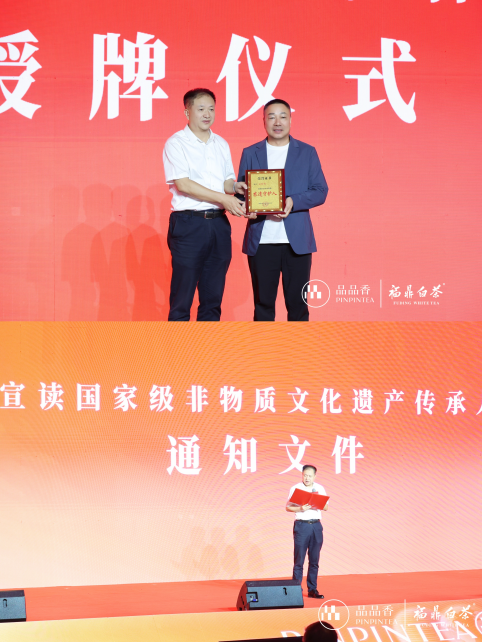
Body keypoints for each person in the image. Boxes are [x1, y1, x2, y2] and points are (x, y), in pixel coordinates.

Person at [237, 98, 328, 321]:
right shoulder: (250, 152)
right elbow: (241, 193)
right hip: (261, 241)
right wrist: (245, 208)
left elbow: (320, 191)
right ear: (264, 121)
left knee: (298, 307)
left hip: (296, 242)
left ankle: (298, 346)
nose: (277, 122)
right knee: (262, 306)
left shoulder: (307, 152)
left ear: (290, 120)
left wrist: (292, 201)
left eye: (283, 116)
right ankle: (264, 345)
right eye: (271, 117)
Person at [163, 88, 247, 321]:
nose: (207, 114)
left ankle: (207, 344)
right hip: (189, 224)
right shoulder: (176, 143)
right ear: (187, 112)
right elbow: (183, 184)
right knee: (182, 297)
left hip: (219, 224)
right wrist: (224, 198)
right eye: (201, 109)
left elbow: (226, 182)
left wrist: (236, 187)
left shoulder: (221, 143)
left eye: (211, 109)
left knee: (213, 297)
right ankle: (177, 344)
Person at [286, 464, 328, 598]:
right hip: (302, 526)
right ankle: (296, 590)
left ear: (315, 476)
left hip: (316, 526)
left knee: (314, 560)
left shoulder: (319, 488)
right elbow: (288, 507)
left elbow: (326, 507)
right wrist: (301, 508)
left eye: (310, 476)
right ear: (302, 475)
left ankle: (312, 589)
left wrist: (317, 502)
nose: (307, 478)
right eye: (305, 475)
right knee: (299, 560)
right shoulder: (296, 488)